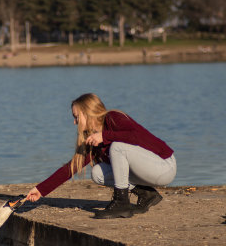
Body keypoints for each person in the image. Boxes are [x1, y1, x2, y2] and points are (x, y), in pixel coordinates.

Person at [26, 93, 176, 219]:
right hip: (146, 172)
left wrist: (105, 136)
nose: (74, 122)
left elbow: (137, 136)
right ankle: (147, 194)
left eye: (76, 116)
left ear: (87, 113)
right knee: (98, 173)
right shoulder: (93, 139)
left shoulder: (113, 118)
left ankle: (122, 203)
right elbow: (71, 167)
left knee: (117, 148)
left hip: (164, 166)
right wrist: (40, 190)